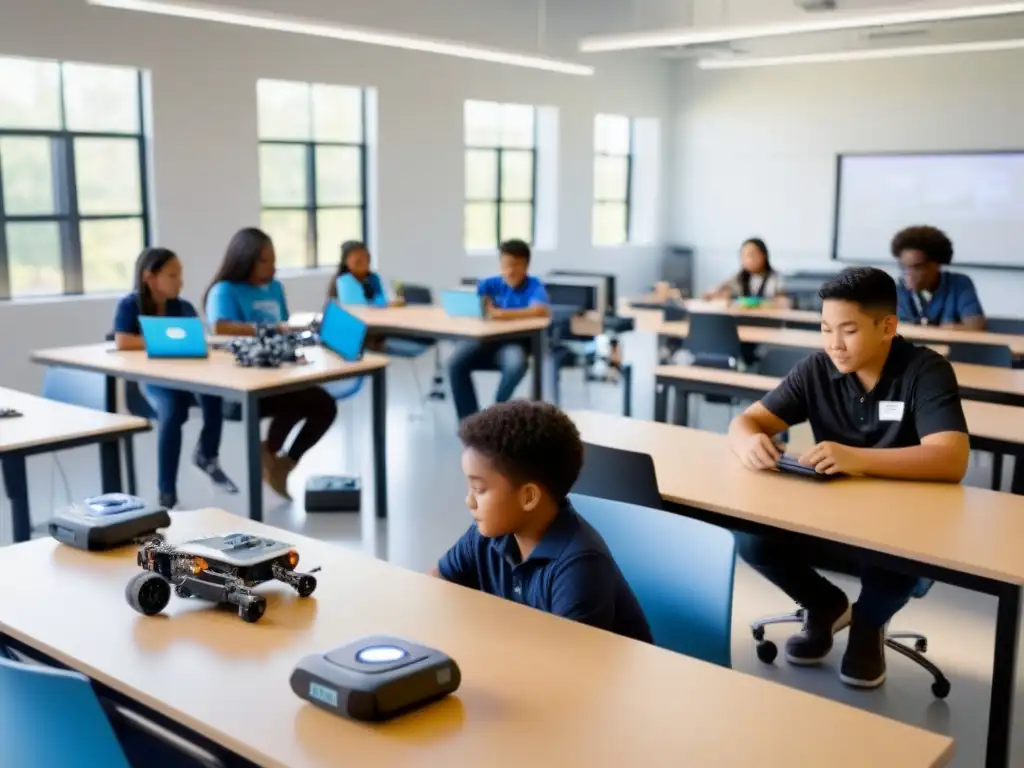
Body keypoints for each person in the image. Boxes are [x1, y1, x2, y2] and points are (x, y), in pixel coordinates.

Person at [727, 266, 969, 689]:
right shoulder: (817, 369)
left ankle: (868, 624)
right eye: (825, 329)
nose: (834, 344)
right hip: (831, 519)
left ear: (888, 327)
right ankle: (824, 605)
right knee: (753, 538)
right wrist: (747, 441)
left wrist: (857, 458)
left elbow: (951, 458)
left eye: (849, 330)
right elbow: (746, 421)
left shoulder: (925, 371)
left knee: (892, 554)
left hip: (906, 528)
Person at [430, 401, 652, 643]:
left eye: (479, 489)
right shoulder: (486, 535)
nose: (469, 501)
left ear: (528, 497)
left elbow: (571, 667)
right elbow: (438, 584)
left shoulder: (579, 566)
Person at [204, 227, 338, 500]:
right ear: (246, 260)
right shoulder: (224, 291)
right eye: (266, 260)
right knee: (299, 399)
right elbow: (220, 327)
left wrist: (298, 333)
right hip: (241, 383)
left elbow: (284, 325)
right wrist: (270, 329)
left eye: (274, 259)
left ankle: (281, 463)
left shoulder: (276, 287)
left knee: (324, 405)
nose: (273, 267)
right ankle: (269, 455)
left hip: (280, 373)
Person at [113, 247, 237, 510]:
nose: (180, 281)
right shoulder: (129, 305)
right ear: (150, 277)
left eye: (179, 274)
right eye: (172, 275)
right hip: (155, 382)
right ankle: (166, 491)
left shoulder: (183, 307)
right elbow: (123, 341)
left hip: (190, 376)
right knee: (172, 413)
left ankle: (208, 455)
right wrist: (163, 341)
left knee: (213, 395)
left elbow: (197, 340)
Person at [448, 239, 550, 420]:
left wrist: (500, 314)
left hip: (513, 343)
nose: (510, 271)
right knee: (455, 363)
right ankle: (469, 420)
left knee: (516, 365)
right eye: (505, 265)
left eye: (515, 266)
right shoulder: (493, 282)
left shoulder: (534, 285)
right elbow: (475, 297)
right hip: (485, 340)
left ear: (526, 266)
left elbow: (539, 310)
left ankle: (494, 411)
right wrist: (484, 303)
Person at [891, 225, 985, 330]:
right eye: (904, 267)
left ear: (936, 264)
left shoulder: (959, 284)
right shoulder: (896, 288)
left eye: (917, 267)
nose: (908, 273)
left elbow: (975, 326)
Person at [703, 238, 788, 306]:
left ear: (764, 256)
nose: (747, 260)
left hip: (769, 322)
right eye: (743, 255)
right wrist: (719, 294)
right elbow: (712, 292)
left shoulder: (776, 278)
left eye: (751, 255)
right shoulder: (738, 277)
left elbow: (783, 302)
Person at [328, 240, 404, 308]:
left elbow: (381, 299)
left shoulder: (373, 278)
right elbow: (356, 307)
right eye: (358, 261)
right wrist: (385, 305)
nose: (364, 264)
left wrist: (392, 303)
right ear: (345, 262)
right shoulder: (345, 280)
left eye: (366, 259)